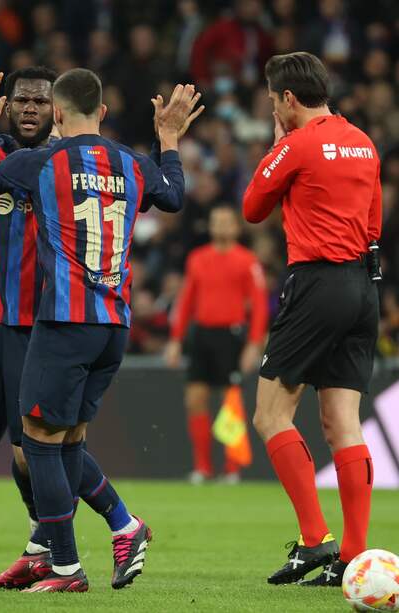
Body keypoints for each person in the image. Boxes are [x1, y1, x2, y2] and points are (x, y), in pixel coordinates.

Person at [0, 69, 198, 592]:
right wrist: (170, 141)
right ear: (103, 113)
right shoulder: (133, 163)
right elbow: (175, 196)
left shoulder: (42, 159)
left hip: (65, 320)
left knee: (39, 442)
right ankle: (124, 527)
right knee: (67, 441)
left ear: (58, 114)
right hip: (115, 325)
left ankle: (65, 567)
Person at [243, 52, 381, 587]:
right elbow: (373, 224)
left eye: (273, 100)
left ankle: (314, 539)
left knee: (271, 415)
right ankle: (353, 555)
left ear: (288, 100)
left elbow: (253, 206)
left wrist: (279, 143)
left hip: (318, 284)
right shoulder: (363, 142)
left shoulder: (298, 143)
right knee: (341, 422)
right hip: (362, 287)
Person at [165, 205, 268, 484]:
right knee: (195, 399)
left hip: (231, 336)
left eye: (225, 221)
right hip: (201, 334)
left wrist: (254, 343)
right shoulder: (197, 259)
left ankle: (232, 468)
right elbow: (186, 300)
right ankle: (203, 467)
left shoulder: (247, 261)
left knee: (230, 403)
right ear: (210, 227)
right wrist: (176, 339)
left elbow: (259, 305)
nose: (221, 226)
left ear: (236, 227)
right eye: (216, 221)